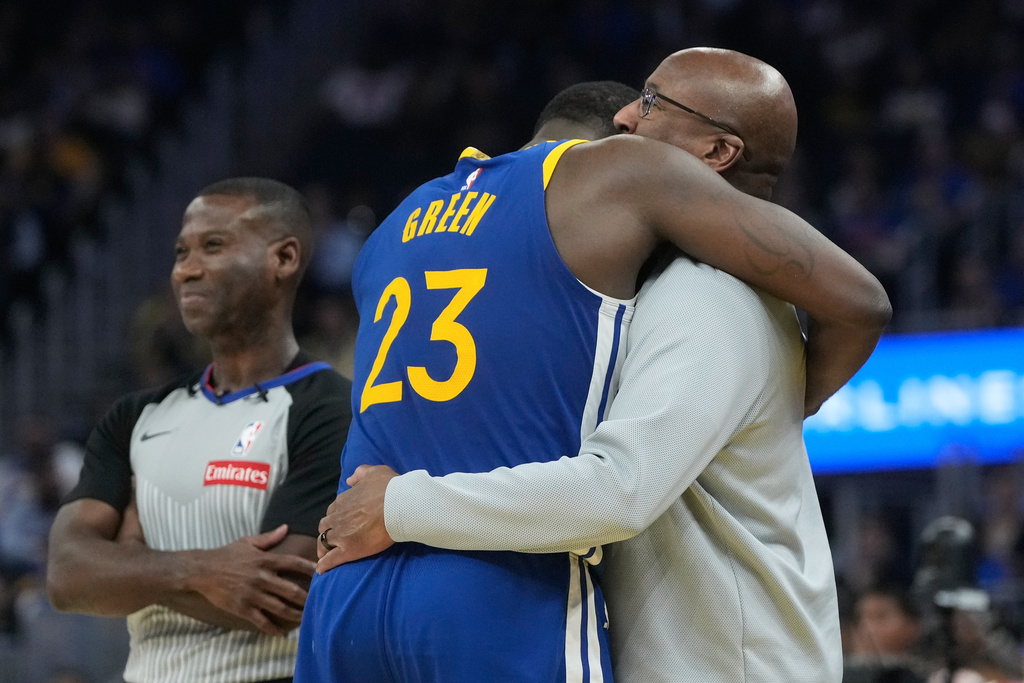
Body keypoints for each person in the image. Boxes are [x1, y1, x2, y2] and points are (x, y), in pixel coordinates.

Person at [299, 63, 890, 682]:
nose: (626, 117)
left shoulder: (714, 296)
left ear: (718, 151)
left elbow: (617, 491)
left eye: (652, 103)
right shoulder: (624, 282)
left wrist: (399, 503)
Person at [46, 178, 353, 683]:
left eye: (213, 246)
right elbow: (65, 574)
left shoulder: (331, 409)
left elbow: (278, 598)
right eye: (180, 252)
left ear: (284, 259)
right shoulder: (134, 416)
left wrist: (129, 562)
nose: (185, 270)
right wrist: (197, 571)